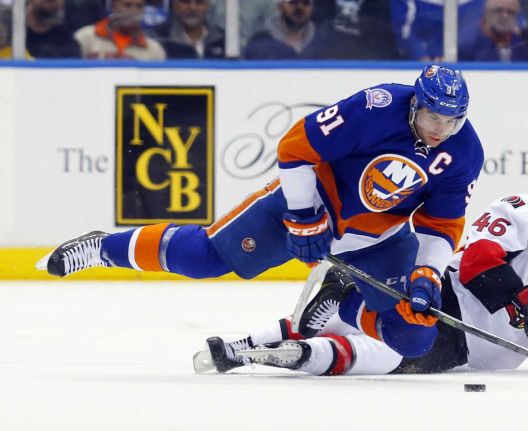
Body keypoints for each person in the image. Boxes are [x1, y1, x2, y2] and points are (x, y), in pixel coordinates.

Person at [39, 65, 484, 361]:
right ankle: (103, 248)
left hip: (380, 241)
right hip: (315, 207)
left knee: (414, 336)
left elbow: (441, 223)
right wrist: (303, 213)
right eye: (432, 117)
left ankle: (337, 304)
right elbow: (295, 148)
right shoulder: (376, 106)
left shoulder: (465, 152)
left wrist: (426, 272)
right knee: (205, 260)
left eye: (452, 121)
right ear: (415, 104)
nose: (441, 130)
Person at [199, 168, 528, 377]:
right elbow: (476, 261)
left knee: (390, 357)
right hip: (448, 300)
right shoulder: (522, 211)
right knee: (394, 354)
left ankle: (270, 350)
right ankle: (317, 320)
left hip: (471, 353)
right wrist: (525, 300)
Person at [74, 0, 166, 60]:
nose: (133, 11)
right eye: (127, 5)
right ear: (113, 7)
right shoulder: (85, 37)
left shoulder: (154, 49)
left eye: (139, 6)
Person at [243, 0, 329, 59]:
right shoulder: (259, 43)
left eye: (305, 2)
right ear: (280, 7)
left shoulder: (324, 42)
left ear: (312, 8)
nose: (299, 7)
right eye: (293, 2)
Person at [147, 0, 225, 58]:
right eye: (185, 1)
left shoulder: (222, 39)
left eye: (199, 2)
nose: (192, 8)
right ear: (174, 5)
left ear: (207, 6)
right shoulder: (159, 37)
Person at [459, 0, 528, 62]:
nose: (505, 16)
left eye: (511, 12)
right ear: (486, 13)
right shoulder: (466, 46)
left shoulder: (523, 45)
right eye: (498, 10)